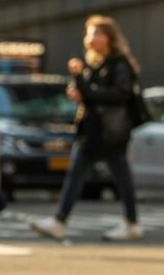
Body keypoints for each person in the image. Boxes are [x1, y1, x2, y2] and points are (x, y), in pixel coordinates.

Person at [29, 15, 144, 243]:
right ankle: (62, 221)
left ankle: (128, 223)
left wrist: (83, 85)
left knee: (114, 176)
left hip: (108, 132)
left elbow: (119, 95)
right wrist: (78, 85)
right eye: (88, 33)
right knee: (90, 174)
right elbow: (88, 94)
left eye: (95, 33)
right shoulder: (96, 64)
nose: (90, 38)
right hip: (94, 130)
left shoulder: (118, 64)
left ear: (108, 38)